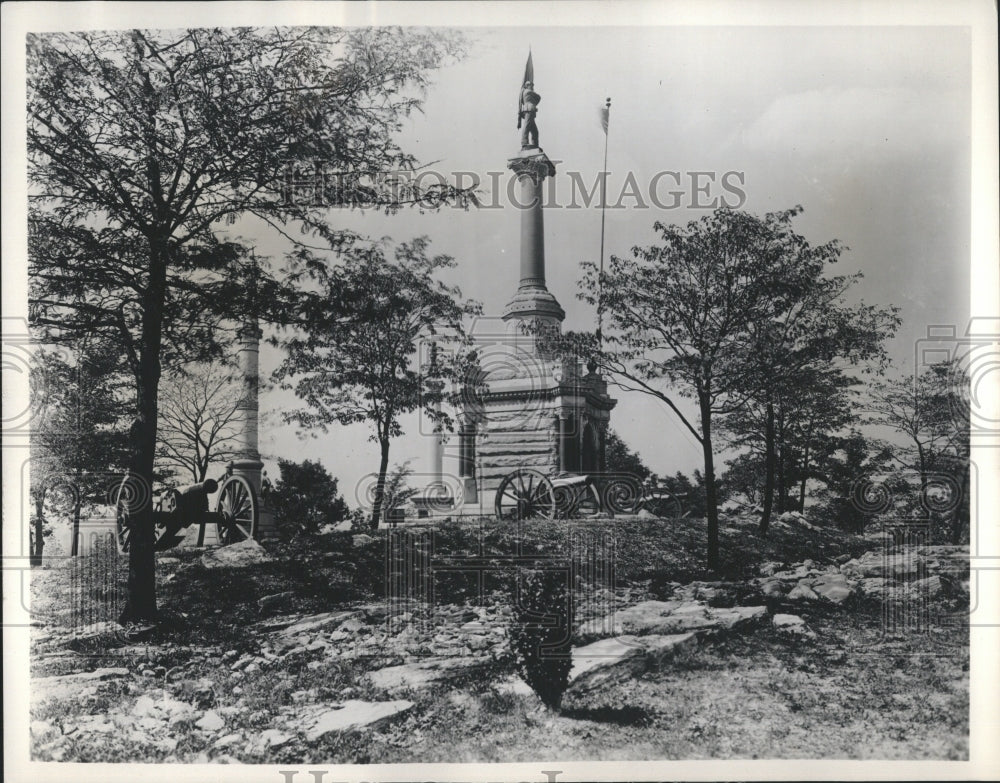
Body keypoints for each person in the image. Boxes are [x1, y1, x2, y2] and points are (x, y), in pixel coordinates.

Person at [518, 80, 541, 149]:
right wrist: (534, 103)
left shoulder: (525, 92)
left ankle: (535, 144)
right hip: (529, 110)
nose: (532, 86)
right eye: (531, 85)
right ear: (527, 86)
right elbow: (538, 97)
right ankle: (524, 143)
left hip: (530, 110)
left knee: (535, 131)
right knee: (527, 126)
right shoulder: (527, 91)